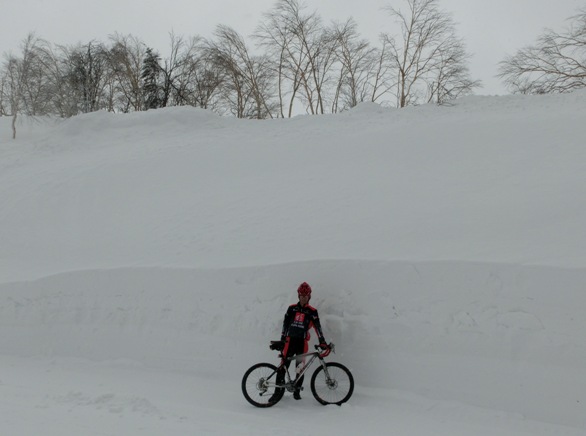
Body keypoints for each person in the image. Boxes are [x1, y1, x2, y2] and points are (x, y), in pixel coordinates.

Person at [271, 282, 329, 401]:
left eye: (305, 296)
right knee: (283, 366)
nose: (303, 298)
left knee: (300, 368)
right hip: (289, 342)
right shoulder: (291, 308)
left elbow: (318, 327)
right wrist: (282, 338)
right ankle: (277, 393)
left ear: (309, 297)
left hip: (302, 343)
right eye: (301, 296)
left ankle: (296, 391)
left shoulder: (312, 311)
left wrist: (322, 340)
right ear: (298, 296)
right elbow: (285, 324)